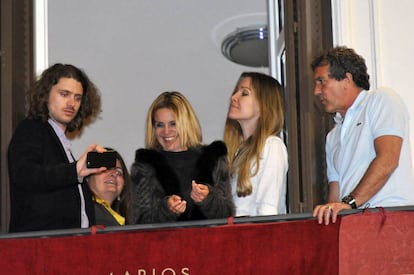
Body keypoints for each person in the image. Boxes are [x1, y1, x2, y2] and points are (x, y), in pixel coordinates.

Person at [311, 46, 414, 225]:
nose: (316, 91)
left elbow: (388, 159)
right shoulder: (332, 136)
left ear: (346, 78)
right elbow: (335, 194)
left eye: (322, 81)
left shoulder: (381, 99)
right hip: (354, 223)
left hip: (390, 218)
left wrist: (349, 203)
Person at [8, 63, 106, 232]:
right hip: (41, 248)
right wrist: (74, 171)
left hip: (70, 247)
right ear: (45, 94)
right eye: (64, 94)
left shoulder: (61, 143)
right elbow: (25, 174)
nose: (71, 103)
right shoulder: (31, 129)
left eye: (77, 97)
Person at [131, 91, 234, 223]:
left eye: (173, 124)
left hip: (210, 242)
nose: (166, 131)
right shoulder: (144, 165)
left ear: (186, 123)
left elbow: (227, 214)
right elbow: (140, 220)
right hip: (165, 243)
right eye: (160, 125)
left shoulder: (214, 158)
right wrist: (167, 208)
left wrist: (208, 199)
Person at [224, 72, 288, 217]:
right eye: (236, 92)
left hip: (255, 236)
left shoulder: (272, 146)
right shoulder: (236, 151)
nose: (233, 97)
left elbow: (268, 209)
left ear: (264, 104)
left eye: (244, 93)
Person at [87, 149, 133, 226]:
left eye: (118, 172)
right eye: (105, 169)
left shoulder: (128, 221)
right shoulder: (81, 212)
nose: (113, 174)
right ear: (88, 177)